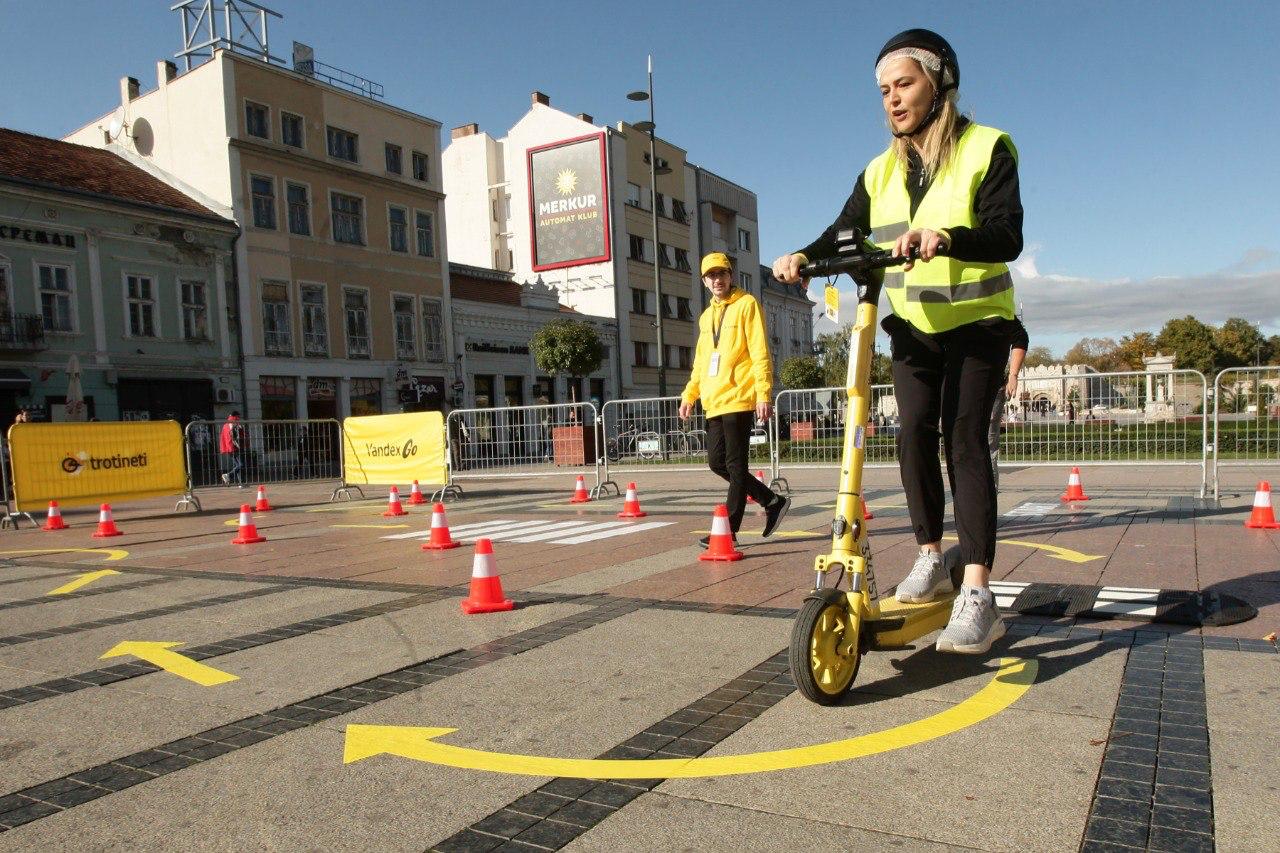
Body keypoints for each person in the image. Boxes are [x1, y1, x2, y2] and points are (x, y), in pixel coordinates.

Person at [773, 29, 1023, 654]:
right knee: (910, 433)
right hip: (913, 328)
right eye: (883, 90)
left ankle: (978, 594)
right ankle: (931, 556)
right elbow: (845, 232)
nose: (891, 99)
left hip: (979, 326)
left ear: (939, 83)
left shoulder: (986, 147)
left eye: (903, 84)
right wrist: (805, 253)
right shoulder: (879, 172)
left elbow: (1006, 234)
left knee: (964, 440)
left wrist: (948, 236)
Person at [680, 252, 790, 544]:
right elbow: (702, 361)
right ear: (704, 281)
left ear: (730, 275)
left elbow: (759, 351)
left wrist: (763, 393)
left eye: (722, 274)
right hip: (713, 400)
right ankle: (771, 500)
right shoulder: (706, 317)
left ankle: (729, 530)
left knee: (736, 465)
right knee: (717, 463)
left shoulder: (747, 304)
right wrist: (690, 394)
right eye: (711, 275)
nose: (717, 280)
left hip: (740, 396)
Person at [988, 319, 1028, 490]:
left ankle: (988, 503)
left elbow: (1020, 337)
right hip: (960, 387)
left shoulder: (996, 309)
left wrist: (1013, 375)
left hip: (992, 387)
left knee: (987, 445)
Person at [219, 411, 246, 487]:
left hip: (229, 448)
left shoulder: (225, 425)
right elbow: (236, 437)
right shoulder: (234, 424)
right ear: (235, 416)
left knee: (238, 465)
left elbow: (223, 438)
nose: (239, 418)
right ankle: (228, 475)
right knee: (241, 465)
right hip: (235, 447)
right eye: (238, 416)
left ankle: (241, 483)